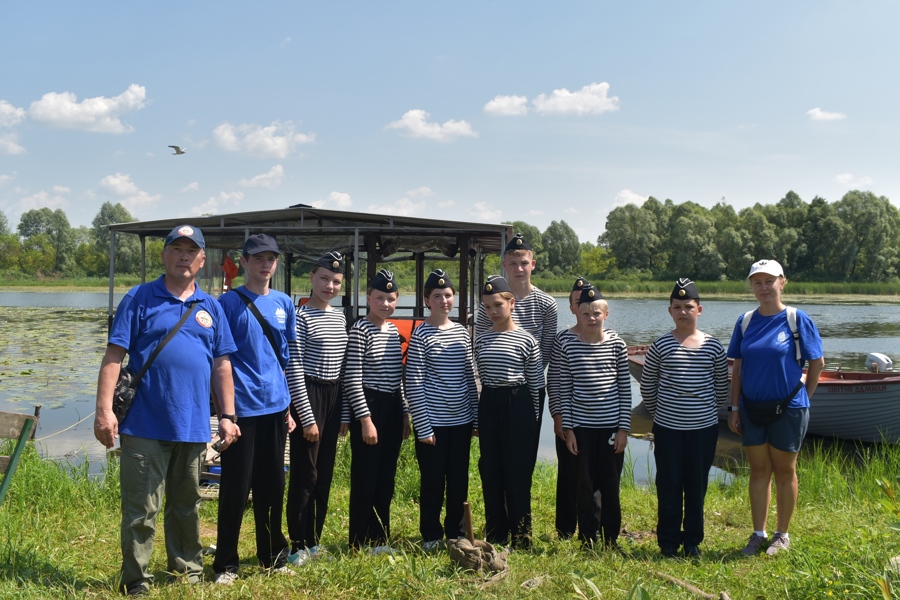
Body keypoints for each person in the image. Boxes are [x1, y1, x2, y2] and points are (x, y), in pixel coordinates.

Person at [93, 225, 239, 596]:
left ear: (203, 259)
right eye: (177, 249)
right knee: (141, 508)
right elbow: (113, 357)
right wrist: (104, 411)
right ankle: (136, 579)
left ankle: (187, 569)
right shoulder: (139, 298)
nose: (184, 256)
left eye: (192, 251)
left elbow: (222, 365)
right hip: (144, 423)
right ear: (164, 255)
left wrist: (228, 415)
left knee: (187, 505)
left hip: (191, 426)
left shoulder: (211, 308)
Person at [212, 234, 297, 584]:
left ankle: (273, 555)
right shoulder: (228, 303)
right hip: (243, 410)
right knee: (235, 487)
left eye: (271, 258)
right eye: (258, 258)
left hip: (276, 408)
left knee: (273, 485)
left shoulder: (283, 302)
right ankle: (226, 564)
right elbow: (221, 360)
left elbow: (286, 359)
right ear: (244, 262)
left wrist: (290, 406)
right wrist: (226, 414)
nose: (265, 264)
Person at [727, 260, 824, 556]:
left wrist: (802, 398)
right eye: (757, 282)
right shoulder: (745, 322)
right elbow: (738, 369)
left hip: (790, 408)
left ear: (782, 282)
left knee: (784, 470)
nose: (764, 287)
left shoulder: (797, 319)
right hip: (751, 409)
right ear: (751, 287)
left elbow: (816, 362)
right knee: (758, 470)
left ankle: (782, 535)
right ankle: (758, 534)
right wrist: (733, 408)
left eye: (769, 281)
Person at [639, 279, 728, 558]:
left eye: (688, 307)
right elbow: (648, 386)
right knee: (668, 485)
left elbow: (721, 388)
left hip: (703, 430)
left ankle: (692, 542)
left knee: (696, 486)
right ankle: (668, 543)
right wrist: (661, 415)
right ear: (670, 311)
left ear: (699, 309)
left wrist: (703, 412)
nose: (683, 312)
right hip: (668, 429)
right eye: (677, 307)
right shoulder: (660, 345)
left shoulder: (713, 346)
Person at [406, 269, 478, 549]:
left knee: (458, 480)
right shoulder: (421, 335)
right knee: (433, 482)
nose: (444, 301)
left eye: (448, 295)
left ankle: (456, 533)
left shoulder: (461, 332)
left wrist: (475, 418)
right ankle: (431, 535)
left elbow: (470, 377)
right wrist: (422, 426)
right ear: (427, 300)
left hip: (460, 422)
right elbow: (414, 382)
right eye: (437, 296)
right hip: (433, 424)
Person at [285, 251, 349, 564]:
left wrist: (344, 413)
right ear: (311, 278)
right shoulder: (300, 317)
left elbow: (344, 367)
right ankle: (297, 543)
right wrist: (307, 416)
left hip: (334, 394)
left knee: (324, 472)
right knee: (304, 472)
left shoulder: (340, 317)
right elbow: (294, 367)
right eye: (324, 278)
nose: (330, 285)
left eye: (336, 281)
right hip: (308, 393)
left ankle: (314, 540)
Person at [341, 269, 411, 552]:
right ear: (368, 298)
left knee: (386, 476)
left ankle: (380, 537)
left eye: (391, 299)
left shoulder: (392, 330)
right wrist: (365, 420)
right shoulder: (360, 329)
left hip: (392, 405)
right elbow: (352, 377)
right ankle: (359, 540)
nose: (385, 304)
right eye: (379, 298)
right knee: (365, 476)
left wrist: (404, 413)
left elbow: (398, 377)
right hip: (370, 405)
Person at [474, 275, 544, 549]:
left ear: (511, 303)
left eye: (497, 305)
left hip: (519, 402)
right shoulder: (481, 340)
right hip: (490, 400)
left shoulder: (527, 340)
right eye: (487, 307)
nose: (492, 311)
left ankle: (522, 536)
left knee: (517, 473)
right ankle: (496, 534)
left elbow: (536, 382)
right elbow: (481, 375)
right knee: (491, 470)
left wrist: (534, 420)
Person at [475, 233, 557, 465]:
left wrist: (523, 374)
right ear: (504, 265)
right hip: (494, 385)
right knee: (494, 454)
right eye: (513, 263)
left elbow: (547, 348)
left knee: (525, 451)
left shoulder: (547, 303)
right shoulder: (491, 300)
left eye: (523, 263)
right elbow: (480, 342)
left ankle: (520, 497)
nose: (519, 269)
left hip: (529, 385)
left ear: (533, 264)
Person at [558, 284, 630, 548]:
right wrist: (569, 430)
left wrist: (624, 429)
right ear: (578, 313)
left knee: (610, 485)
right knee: (584, 485)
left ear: (606, 315)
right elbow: (565, 390)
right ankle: (588, 538)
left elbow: (625, 389)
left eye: (596, 313)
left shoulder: (617, 345)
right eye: (586, 313)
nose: (591, 318)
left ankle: (611, 538)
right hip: (582, 428)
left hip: (611, 427)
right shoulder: (570, 347)